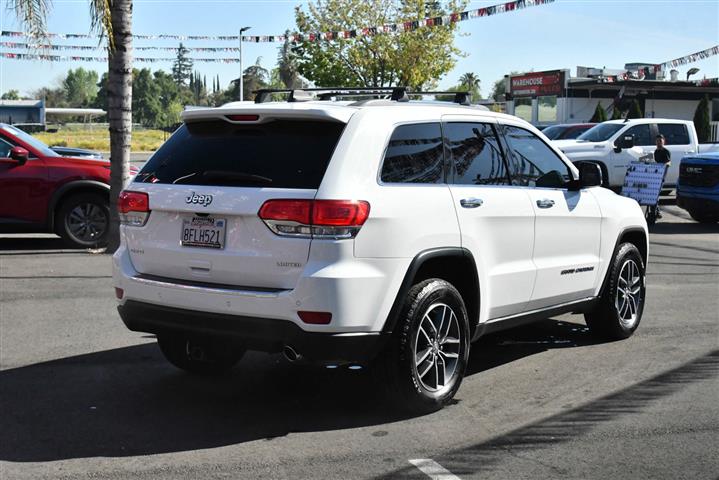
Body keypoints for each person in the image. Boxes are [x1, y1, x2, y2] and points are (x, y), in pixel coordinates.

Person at [652, 134, 671, 219]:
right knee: (654, 194)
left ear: (664, 141)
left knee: (656, 194)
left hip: (661, 177)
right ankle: (656, 211)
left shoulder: (666, 151)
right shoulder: (656, 151)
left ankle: (657, 211)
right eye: (657, 141)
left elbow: (669, 163)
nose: (659, 142)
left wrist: (663, 165)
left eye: (660, 140)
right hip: (655, 176)